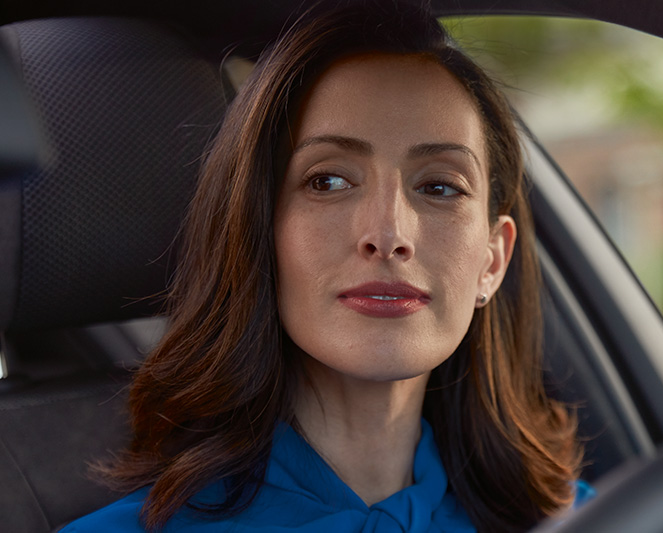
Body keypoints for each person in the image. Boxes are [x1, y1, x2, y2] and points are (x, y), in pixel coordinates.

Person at [63, 2, 587, 532]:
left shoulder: (585, 519)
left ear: (492, 261)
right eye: (328, 181)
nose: (388, 236)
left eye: (438, 187)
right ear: (258, 233)